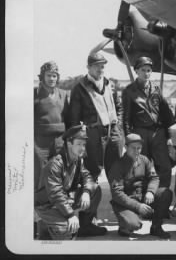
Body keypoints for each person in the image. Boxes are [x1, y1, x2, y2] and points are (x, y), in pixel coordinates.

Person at [35, 125, 107, 240]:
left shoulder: (77, 159)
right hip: (47, 205)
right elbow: (56, 193)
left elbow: (87, 176)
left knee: (95, 190)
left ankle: (85, 226)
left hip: (63, 200)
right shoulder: (55, 164)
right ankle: (45, 228)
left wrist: (86, 192)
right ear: (69, 143)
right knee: (67, 231)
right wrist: (70, 215)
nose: (82, 148)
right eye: (79, 144)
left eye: (83, 145)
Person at [122, 56, 176, 188]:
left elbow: (165, 116)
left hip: (158, 134)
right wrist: (129, 140)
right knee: (141, 168)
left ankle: (163, 197)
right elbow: (126, 119)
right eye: (143, 70)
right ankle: (143, 199)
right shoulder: (129, 91)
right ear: (136, 71)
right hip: (140, 134)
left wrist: (168, 138)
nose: (146, 73)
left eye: (149, 70)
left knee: (164, 166)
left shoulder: (156, 89)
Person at [69, 53, 123, 180]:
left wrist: (118, 127)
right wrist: (79, 140)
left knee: (116, 172)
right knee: (92, 172)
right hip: (93, 134)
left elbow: (119, 108)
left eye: (103, 66)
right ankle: (89, 198)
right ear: (88, 67)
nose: (100, 69)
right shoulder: (79, 88)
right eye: (96, 66)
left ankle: (118, 199)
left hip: (113, 132)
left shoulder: (111, 85)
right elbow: (74, 118)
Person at [108, 133, 172, 239]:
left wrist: (150, 192)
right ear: (125, 147)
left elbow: (154, 178)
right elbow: (117, 194)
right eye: (133, 148)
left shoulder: (144, 160)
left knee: (165, 193)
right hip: (125, 202)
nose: (137, 151)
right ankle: (124, 226)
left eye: (139, 148)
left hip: (142, 197)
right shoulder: (117, 166)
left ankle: (156, 227)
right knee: (133, 224)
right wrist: (138, 206)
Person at [34, 61, 69, 197]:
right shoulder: (34, 94)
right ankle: (40, 208)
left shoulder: (64, 94)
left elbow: (70, 119)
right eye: (48, 75)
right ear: (42, 77)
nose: (52, 79)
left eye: (54, 76)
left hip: (60, 140)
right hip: (40, 142)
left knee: (58, 172)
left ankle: (57, 205)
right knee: (41, 173)